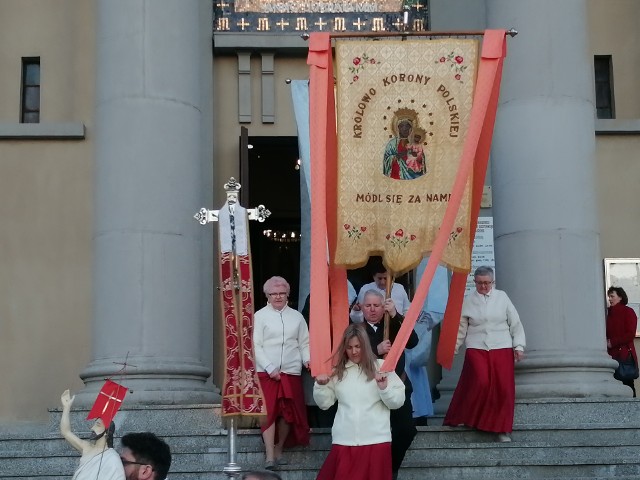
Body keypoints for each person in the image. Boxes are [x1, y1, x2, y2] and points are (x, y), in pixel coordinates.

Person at [443, 266, 526, 442]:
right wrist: (453, 349)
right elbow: (460, 328)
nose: (484, 287)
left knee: (503, 388)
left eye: (487, 283)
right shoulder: (469, 300)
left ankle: (501, 429)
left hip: (501, 346)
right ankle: (471, 418)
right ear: (475, 282)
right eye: (480, 283)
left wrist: (519, 346)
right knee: (480, 381)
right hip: (477, 347)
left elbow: (515, 323)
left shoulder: (502, 297)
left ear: (492, 282)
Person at [314, 323, 406, 480]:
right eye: (349, 347)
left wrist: (384, 388)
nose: (354, 351)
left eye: (358, 346)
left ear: (365, 345)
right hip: (345, 441)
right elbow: (324, 404)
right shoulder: (337, 372)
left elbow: (397, 402)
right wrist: (320, 386)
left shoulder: (382, 367)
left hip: (376, 442)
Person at [358, 289, 418, 480]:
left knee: (407, 430)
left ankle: (391, 468)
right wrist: (376, 350)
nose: (373, 310)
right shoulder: (356, 329)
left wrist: (395, 314)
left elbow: (413, 341)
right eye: (368, 306)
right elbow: (350, 357)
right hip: (369, 391)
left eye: (377, 305)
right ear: (362, 307)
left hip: (397, 385)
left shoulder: (392, 323)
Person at [253, 276, 311, 469]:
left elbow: (304, 343)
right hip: (266, 373)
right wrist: (269, 368)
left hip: (290, 372)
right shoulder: (259, 316)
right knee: (268, 413)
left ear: (287, 295)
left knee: (288, 413)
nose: (278, 297)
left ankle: (279, 449)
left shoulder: (297, 317)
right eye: (274, 294)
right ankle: (269, 455)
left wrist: (307, 360)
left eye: (281, 293)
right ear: (267, 296)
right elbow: (255, 345)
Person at [60, 390, 125, 480]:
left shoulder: (112, 458)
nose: (92, 428)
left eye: (97, 425)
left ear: (107, 432)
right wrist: (66, 408)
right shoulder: (86, 447)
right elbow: (66, 432)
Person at [606, 286, 638, 397]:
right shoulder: (607, 313)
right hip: (609, 355)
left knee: (627, 382)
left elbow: (630, 334)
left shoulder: (628, 311)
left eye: (612, 296)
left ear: (620, 297)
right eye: (608, 296)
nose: (609, 299)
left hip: (623, 354)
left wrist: (612, 342)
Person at [383, 114, 425, 180]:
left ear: (411, 129)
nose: (405, 129)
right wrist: (395, 157)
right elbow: (386, 159)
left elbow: (421, 159)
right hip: (395, 175)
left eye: (407, 126)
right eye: (402, 126)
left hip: (414, 175)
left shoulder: (415, 143)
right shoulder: (392, 143)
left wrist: (416, 156)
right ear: (398, 128)